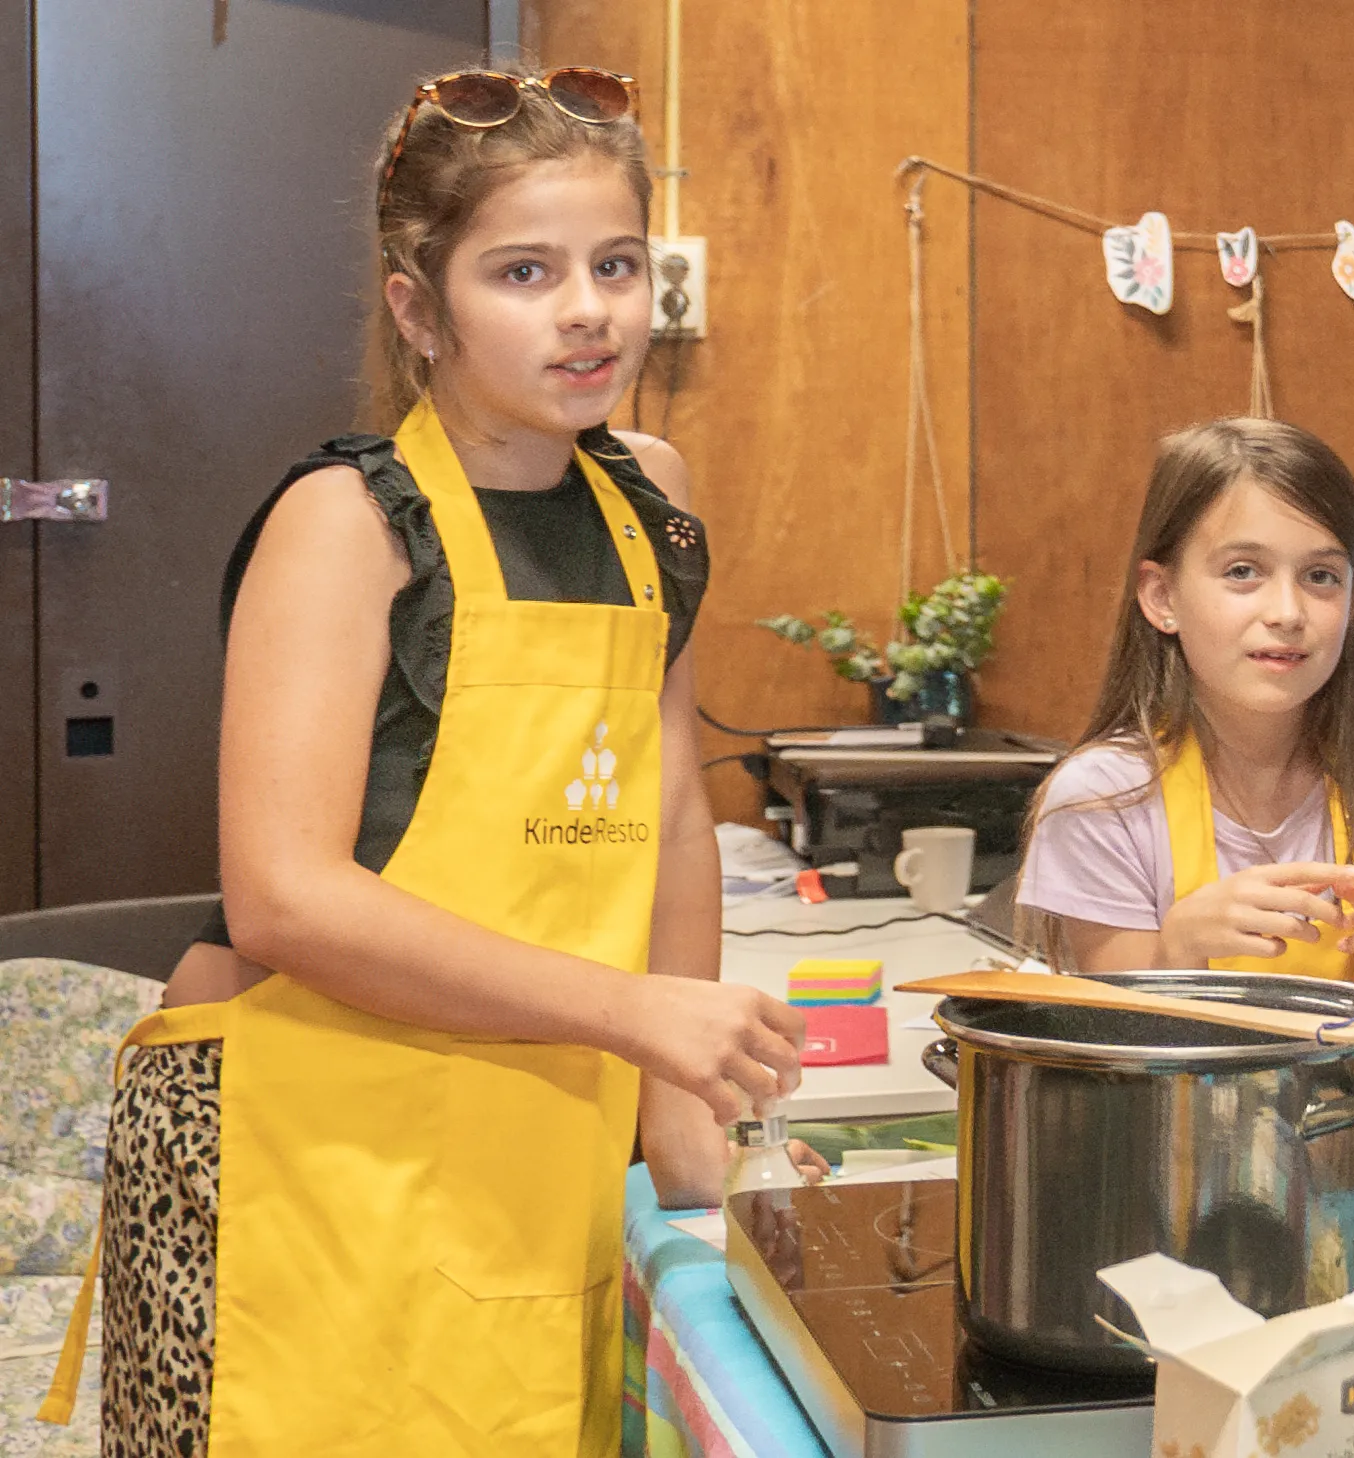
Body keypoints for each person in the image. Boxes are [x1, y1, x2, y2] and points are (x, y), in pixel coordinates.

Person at [49, 68, 812, 1456]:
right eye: (524, 271)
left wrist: (688, 1112)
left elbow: (673, 803)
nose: (588, 308)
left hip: (532, 1154)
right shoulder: (346, 522)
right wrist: (632, 1013)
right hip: (302, 1166)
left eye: (616, 264)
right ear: (418, 305)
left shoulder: (655, 504)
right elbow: (284, 895)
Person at [1015, 418, 1354, 1083]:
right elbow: (1114, 1075)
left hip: (1342, 1165)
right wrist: (1175, 951)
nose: (1288, 611)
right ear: (1162, 596)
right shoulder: (1101, 797)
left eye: (1322, 576)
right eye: (1244, 571)